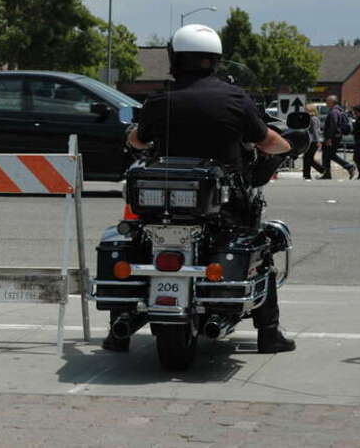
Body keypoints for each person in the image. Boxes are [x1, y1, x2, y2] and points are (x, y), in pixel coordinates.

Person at [113, 24, 296, 354]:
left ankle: (118, 330)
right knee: (262, 247)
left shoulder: (160, 99)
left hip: (162, 203)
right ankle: (269, 332)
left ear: (175, 59)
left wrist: (131, 135)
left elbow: (139, 140)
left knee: (137, 243)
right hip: (225, 203)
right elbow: (269, 142)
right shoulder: (235, 98)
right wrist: (288, 147)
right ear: (215, 60)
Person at [319, 95, 356, 180]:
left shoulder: (334, 112)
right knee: (327, 155)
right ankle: (327, 173)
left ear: (332, 102)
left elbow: (333, 125)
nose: (326, 103)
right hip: (336, 136)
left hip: (332, 137)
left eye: (327, 101)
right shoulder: (338, 110)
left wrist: (329, 138)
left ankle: (349, 166)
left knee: (329, 154)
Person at [302, 105, 324, 180]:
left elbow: (315, 131)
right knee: (307, 158)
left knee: (308, 158)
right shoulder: (313, 118)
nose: (304, 110)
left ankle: (322, 170)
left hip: (313, 141)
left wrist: (318, 141)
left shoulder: (313, 119)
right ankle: (306, 174)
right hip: (312, 140)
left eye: (306, 109)